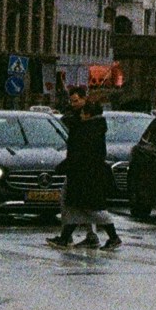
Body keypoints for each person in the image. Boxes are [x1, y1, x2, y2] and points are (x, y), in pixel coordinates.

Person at [52, 88, 120, 251]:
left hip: (87, 173)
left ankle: (113, 237)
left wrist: (65, 166)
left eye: (76, 102)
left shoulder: (90, 130)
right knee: (74, 206)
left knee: (92, 208)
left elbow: (81, 153)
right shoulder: (86, 125)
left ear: (87, 113)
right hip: (80, 172)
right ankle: (66, 237)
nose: (74, 106)